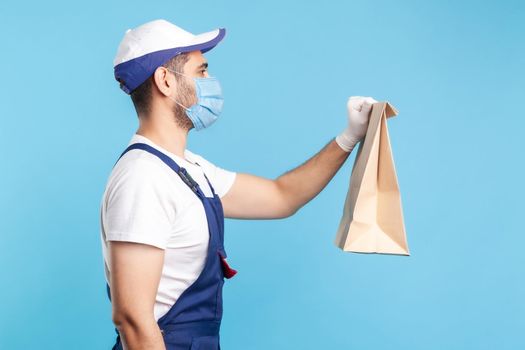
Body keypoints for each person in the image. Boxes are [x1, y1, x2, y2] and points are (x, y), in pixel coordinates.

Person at [100, 18, 378, 350]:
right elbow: (132, 319)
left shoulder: (192, 170)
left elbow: (281, 196)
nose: (210, 81)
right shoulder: (143, 178)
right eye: (201, 71)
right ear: (165, 81)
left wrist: (349, 137)